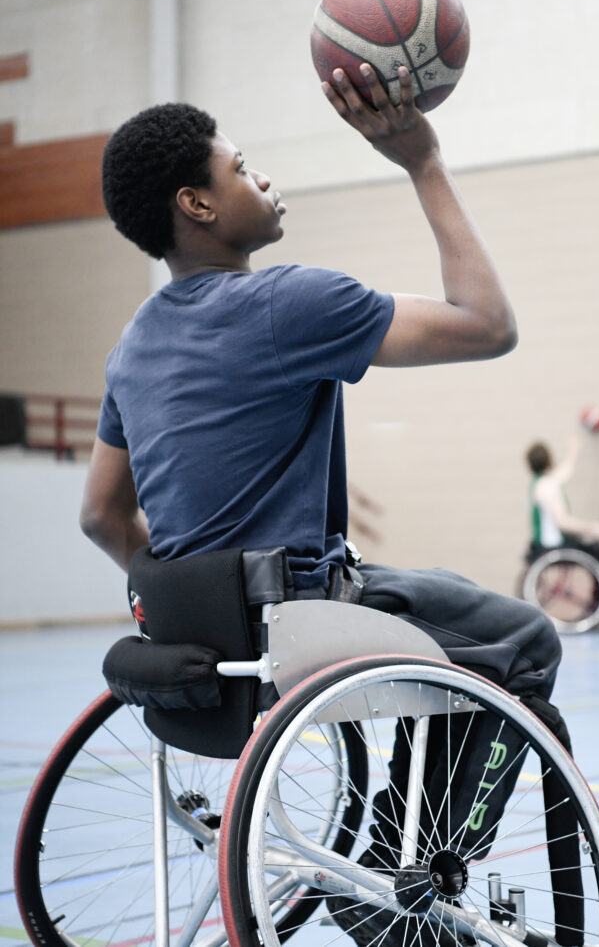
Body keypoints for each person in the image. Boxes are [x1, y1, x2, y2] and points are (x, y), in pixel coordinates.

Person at [81, 65, 565, 946]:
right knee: (526, 640)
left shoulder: (133, 345)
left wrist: (198, 595)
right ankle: (408, 873)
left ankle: (390, 848)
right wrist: (421, 161)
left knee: (441, 599)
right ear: (196, 204)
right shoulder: (291, 301)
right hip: (303, 613)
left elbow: (102, 520)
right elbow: (487, 323)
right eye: (241, 167)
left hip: (203, 641)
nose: (261, 178)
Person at [525, 437, 599, 626]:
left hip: (543, 545)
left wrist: (573, 451)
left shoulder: (542, 483)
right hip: (552, 547)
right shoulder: (548, 487)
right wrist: (594, 528)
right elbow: (563, 523)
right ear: (549, 460)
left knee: (594, 549)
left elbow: (564, 473)